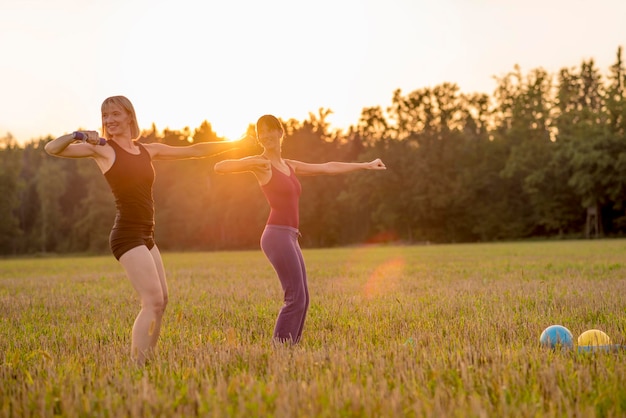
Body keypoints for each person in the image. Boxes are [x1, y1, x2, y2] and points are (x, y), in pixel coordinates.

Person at [45, 95, 239, 365]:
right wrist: (78, 135)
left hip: (147, 235)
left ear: (129, 117)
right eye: (105, 116)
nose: (110, 120)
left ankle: (147, 359)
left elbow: (194, 150)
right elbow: (52, 148)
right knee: (152, 301)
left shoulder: (148, 150)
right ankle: (137, 366)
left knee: (162, 301)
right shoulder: (102, 149)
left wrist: (237, 144)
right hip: (126, 234)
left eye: (115, 114)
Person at [214, 114, 386, 345]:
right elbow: (220, 167)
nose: (266, 135)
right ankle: (280, 350)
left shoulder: (289, 165)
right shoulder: (262, 164)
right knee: (294, 297)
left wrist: (365, 165)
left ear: (280, 132)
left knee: (303, 297)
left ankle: (291, 346)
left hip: (291, 236)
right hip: (276, 235)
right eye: (261, 132)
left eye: (270, 130)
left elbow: (327, 167)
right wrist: (248, 160)